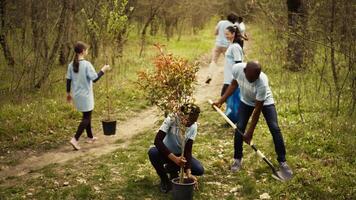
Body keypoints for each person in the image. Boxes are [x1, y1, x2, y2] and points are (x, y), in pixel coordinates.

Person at [213, 61, 292, 177]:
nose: (252, 81)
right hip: (246, 101)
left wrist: (250, 133)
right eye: (250, 78)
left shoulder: (262, 83)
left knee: (274, 127)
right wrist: (221, 100)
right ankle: (237, 159)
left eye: (255, 78)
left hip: (265, 102)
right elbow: (234, 85)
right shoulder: (237, 69)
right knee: (239, 127)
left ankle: (282, 161)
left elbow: (257, 110)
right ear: (244, 71)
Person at [148, 103, 204, 193]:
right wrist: (175, 159)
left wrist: (188, 172)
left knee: (199, 169)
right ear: (182, 115)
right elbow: (157, 141)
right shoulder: (172, 118)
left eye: (194, 121)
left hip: (179, 155)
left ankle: (171, 168)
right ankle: (165, 180)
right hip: (165, 153)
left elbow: (188, 150)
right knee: (153, 153)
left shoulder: (193, 126)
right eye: (190, 120)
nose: (191, 124)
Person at [66, 41, 111, 150]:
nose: (87, 51)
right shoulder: (86, 64)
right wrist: (103, 70)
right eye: (86, 49)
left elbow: (68, 80)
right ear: (82, 51)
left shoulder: (71, 65)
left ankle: (90, 137)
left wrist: (68, 93)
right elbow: (95, 78)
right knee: (86, 117)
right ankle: (75, 139)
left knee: (86, 115)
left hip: (77, 95)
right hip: (86, 96)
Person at [206, 13, 238, 84]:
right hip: (227, 46)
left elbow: (215, 32)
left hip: (218, 45)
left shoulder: (221, 22)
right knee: (229, 61)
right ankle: (232, 78)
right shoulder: (233, 26)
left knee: (214, 61)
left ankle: (209, 75)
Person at [222, 26, 244, 123]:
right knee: (228, 98)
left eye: (227, 34)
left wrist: (234, 78)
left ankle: (235, 118)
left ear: (233, 34)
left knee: (230, 98)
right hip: (228, 78)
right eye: (225, 34)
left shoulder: (235, 47)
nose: (226, 36)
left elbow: (238, 63)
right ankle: (232, 117)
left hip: (233, 78)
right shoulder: (232, 45)